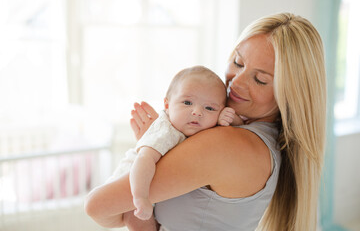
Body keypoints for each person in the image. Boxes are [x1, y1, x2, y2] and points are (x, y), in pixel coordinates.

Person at [85, 12, 326, 231]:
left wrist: (155, 145)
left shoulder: (226, 144)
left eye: (261, 80)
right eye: (238, 63)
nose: (236, 82)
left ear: (290, 94)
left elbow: (98, 207)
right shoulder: (262, 141)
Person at [104, 65, 242, 229]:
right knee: (134, 216)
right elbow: (144, 160)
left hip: (157, 192)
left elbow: (238, 133)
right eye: (187, 102)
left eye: (209, 108)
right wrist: (141, 197)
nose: (197, 111)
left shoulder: (205, 130)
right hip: (134, 183)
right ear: (167, 105)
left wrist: (232, 120)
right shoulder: (165, 130)